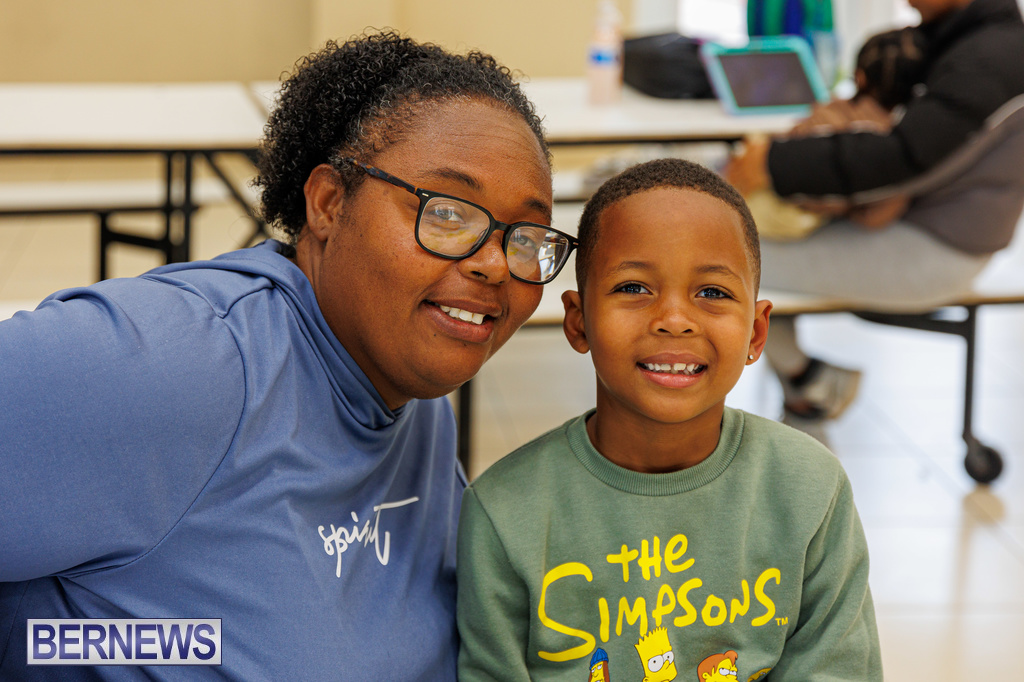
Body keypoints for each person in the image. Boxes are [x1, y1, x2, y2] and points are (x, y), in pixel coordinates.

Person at [0, 31, 576, 680]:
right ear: (328, 202)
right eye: (446, 214)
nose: (497, 264)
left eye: (526, 237)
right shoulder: (183, 365)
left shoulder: (412, 401)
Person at [456, 159, 881, 681]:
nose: (675, 320)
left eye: (713, 293)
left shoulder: (811, 489)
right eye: (634, 288)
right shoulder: (504, 513)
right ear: (578, 319)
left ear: (755, 332)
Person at [725, 0, 1024, 421]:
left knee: (727, 265)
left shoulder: (988, 59)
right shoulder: (972, 38)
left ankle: (804, 377)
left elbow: (903, 158)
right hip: (922, 227)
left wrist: (773, 163)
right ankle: (805, 387)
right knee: (742, 245)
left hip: (935, 249)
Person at [746, 25, 928, 242]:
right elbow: (876, 217)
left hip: (779, 207)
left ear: (859, 77)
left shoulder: (826, 111)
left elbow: (784, 147)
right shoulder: (896, 143)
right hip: (819, 220)